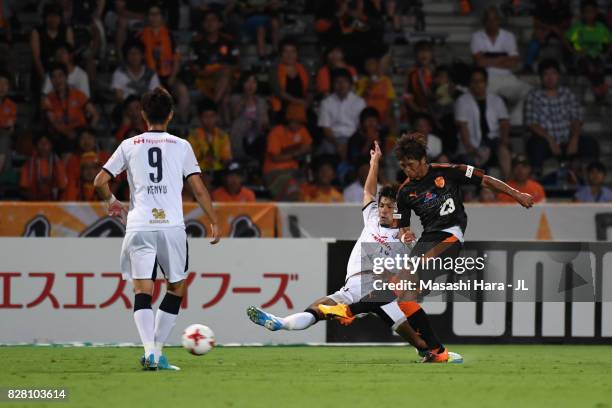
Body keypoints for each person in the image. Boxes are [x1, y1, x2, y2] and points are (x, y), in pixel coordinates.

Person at [247, 141, 456, 363]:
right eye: (382, 205)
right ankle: (280, 322)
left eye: (390, 207)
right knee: (316, 311)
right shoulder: (372, 219)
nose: (383, 210)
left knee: (417, 339)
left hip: (379, 291)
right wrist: (374, 162)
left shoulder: (404, 237)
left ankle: (431, 351)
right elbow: (368, 190)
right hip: (354, 288)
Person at [342, 133, 533, 362]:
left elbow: (487, 180)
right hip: (427, 240)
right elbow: (403, 226)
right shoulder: (404, 192)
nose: (407, 171)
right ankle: (437, 352)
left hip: (449, 236)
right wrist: (406, 234)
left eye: (411, 165)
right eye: (403, 166)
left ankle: (349, 310)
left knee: (401, 281)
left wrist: (517, 194)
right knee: (404, 297)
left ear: (423, 159)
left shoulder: (449, 171)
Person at [93, 87, 220, 371]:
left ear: (142, 114)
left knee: (142, 290)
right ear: (171, 114)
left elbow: (99, 181)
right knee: (175, 289)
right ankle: (157, 351)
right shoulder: (182, 145)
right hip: (171, 226)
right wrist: (213, 220)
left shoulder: (129, 145)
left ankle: (149, 351)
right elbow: (198, 188)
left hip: (139, 225)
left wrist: (113, 203)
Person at [525, 58, 599, 175]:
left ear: (558, 76)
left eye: (553, 73)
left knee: (590, 143)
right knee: (535, 145)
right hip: (546, 143)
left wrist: (574, 139)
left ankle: (589, 179)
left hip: (568, 140)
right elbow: (532, 124)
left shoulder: (567, 94)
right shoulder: (534, 96)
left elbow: (577, 119)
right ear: (541, 77)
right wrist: (551, 141)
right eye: (546, 74)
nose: (550, 78)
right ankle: (537, 180)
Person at [470, 6, 530, 125]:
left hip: (507, 78)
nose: (492, 23)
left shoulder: (509, 36)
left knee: (529, 91)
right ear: (484, 22)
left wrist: (489, 59)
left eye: (495, 19)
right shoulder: (477, 36)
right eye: (489, 20)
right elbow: (480, 62)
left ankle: (514, 120)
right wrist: (504, 58)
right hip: (487, 79)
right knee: (477, 98)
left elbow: (513, 63)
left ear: (499, 20)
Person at [455, 67, 511, 179]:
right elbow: (462, 126)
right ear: (470, 83)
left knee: (503, 150)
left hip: (493, 140)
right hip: (472, 144)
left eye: (480, 81)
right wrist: (470, 147)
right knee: (476, 161)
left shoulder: (496, 100)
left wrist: (504, 141)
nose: (477, 85)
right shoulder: (462, 101)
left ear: (485, 83)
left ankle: (508, 183)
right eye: (474, 81)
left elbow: (504, 123)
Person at [41, 63, 99, 155]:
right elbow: (53, 122)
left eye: (60, 76)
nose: (57, 80)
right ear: (51, 80)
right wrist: (68, 133)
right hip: (60, 135)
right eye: (54, 77)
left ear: (66, 77)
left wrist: (89, 131)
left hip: (80, 133)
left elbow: (95, 114)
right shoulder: (47, 99)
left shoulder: (78, 94)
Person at [263, 103, 312, 201]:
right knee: (292, 192)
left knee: (308, 192)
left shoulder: (302, 130)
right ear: (288, 120)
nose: (297, 125)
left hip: (295, 172)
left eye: (300, 122)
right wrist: (296, 154)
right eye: (295, 122)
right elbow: (275, 158)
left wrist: (306, 149)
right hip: (275, 172)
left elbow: (309, 146)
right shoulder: (276, 132)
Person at [566, 0, 612, 103]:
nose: (589, 15)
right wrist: (574, 51)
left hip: (597, 57)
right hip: (582, 57)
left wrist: (607, 54)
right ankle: (600, 89)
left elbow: (610, 42)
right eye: (586, 12)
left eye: (591, 12)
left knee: (597, 65)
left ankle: (597, 88)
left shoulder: (601, 28)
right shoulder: (578, 27)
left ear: (596, 13)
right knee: (589, 64)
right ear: (582, 13)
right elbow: (566, 40)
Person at [190, 10, 238, 103]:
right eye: (207, 20)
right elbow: (194, 66)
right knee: (225, 94)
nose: (210, 23)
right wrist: (209, 72)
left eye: (213, 20)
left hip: (225, 77)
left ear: (220, 24)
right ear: (203, 24)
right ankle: (215, 109)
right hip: (204, 78)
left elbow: (235, 64)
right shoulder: (197, 42)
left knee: (226, 73)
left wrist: (220, 70)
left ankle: (213, 105)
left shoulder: (228, 41)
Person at [318, 68, 366, 158]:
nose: (341, 85)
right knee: (326, 150)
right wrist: (338, 145)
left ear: (350, 84)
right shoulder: (326, 102)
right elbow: (326, 129)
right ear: (333, 85)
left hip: (354, 139)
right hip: (333, 139)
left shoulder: (359, 102)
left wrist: (349, 144)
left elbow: (361, 127)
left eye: (344, 82)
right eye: (337, 82)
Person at [222, 71, 269, 161]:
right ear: (242, 84)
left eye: (253, 82)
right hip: (240, 133)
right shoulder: (235, 98)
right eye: (248, 82)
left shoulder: (261, 101)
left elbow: (265, 120)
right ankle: (239, 159)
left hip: (257, 132)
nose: (251, 85)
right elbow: (233, 116)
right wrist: (245, 98)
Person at [30, 3, 74, 84]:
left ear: (60, 18)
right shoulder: (36, 31)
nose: (53, 19)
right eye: (50, 16)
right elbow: (36, 57)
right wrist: (45, 78)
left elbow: (69, 54)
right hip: (42, 68)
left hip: (61, 68)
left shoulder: (67, 30)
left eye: (56, 16)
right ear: (45, 17)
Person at [524, 0, 572, 71]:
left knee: (568, 39)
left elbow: (568, 22)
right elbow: (536, 22)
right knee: (535, 40)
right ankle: (528, 64)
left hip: (559, 30)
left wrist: (557, 28)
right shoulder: (541, 5)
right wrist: (550, 28)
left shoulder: (564, 6)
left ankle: (570, 65)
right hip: (545, 29)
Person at [187, 99, 232, 174]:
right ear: (200, 118)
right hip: (199, 173)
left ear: (217, 117)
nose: (209, 120)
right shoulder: (193, 136)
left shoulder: (223, 136)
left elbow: (226, 159)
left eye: (212, 116)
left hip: (218, 173)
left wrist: (218, 159)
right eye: (205, 116)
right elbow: (190, 161)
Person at [20, 134, 67, 200]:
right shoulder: (29, 163)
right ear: (36, 145)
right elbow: (23, 188)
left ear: (51, 145)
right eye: (40, 142)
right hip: (33, 202)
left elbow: (62, 187)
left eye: (46, 142)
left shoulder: (57, 162)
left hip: (52, 202)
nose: (43, 145)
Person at [269, 38, 309, 115]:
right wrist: (297, 101)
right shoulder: (274, 70)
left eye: (293, 51)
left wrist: (307, 103)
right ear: (281, 54)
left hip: (302, 107)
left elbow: (310, 90)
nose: (289, 55)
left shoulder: (304, 68)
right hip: (282, 109)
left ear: (297, 53)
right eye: (286, 51)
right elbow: (278, 92)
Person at [356, 54, 396, 125]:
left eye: (372, 64)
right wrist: (369, 86)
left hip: (382, 116)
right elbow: (359, 98)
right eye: (367, 64)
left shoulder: (386, 81)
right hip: (367, 116)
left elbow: (390, 99)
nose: (370, 66)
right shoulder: (362, 81)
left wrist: (387, 115)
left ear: (377, 65)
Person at [403, 40, 435, 119]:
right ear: (415, 55)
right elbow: (407, 96)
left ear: (432, 54)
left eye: (427, 51)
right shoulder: (412, 74)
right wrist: (419, 111)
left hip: (437, 114)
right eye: (420, 51)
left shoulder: (439, 72)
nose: (423, 54)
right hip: (419, 116)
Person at [0, 71, 16, 173]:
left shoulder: (11, 105)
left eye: (5, 84)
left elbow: (10, 128)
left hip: (3, 138)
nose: (1, 87)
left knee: (5, 139)